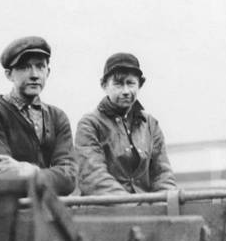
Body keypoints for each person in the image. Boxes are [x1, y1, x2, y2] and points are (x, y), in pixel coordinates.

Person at [0, 36, 76, 194]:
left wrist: (30, 172)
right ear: (9, 74)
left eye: (40, 66)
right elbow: (2, 175)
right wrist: (49, 177)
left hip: (40, 205)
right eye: (24, 67)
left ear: (48, 72)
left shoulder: (57, 117)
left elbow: (68, 177)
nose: (34, 75)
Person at [75, 53, 177, 195]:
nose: (125, 91)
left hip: (148, 206)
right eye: (118, 84)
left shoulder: (150, 124)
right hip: (106, 207)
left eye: (131, 83)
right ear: (104, 85)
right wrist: (134, 204)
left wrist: (165, 202)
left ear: (140, 84)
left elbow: (163, 175)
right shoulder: (90, 124)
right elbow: (93, 177)